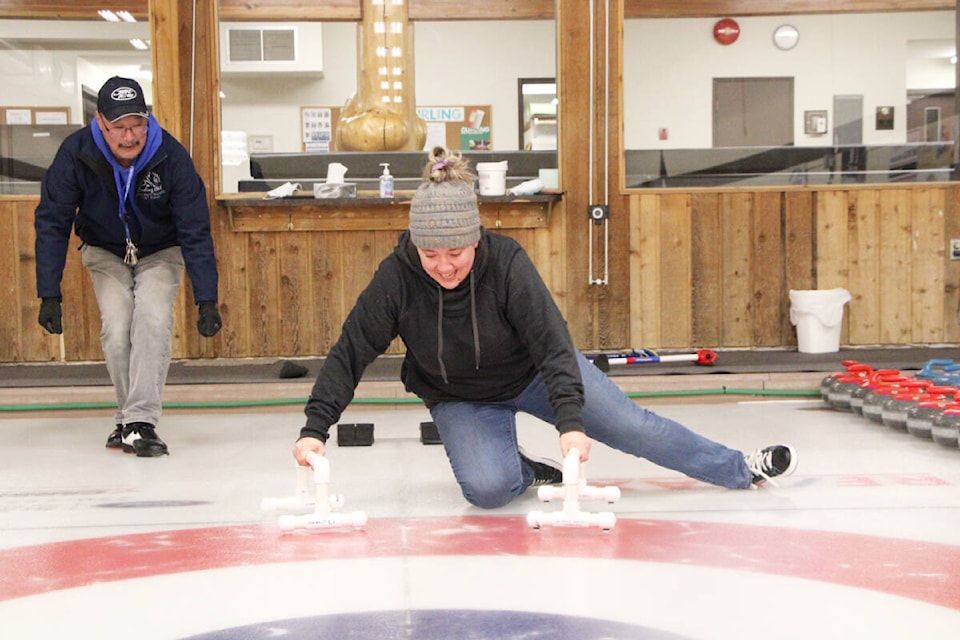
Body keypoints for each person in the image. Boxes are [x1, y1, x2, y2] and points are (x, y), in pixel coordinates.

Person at [293, 147, 796, 508]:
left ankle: (738, 467)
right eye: (430, 254)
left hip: (533, 373)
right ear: (414, 246)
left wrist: (571, 423)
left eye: (455, 253)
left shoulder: (507, 263)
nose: (444, 266)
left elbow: (553, 344)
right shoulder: (397, 277)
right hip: (460, 395)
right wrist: (315, 430)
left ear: (476, 239)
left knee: (631, 427)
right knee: (489, 490)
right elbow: (351, 351)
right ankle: (525, 470)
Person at [34, 76, 222, 458]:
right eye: (119, 126)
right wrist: (48, 293)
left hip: (160, 250)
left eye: (136, 124)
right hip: (104, 250)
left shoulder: (170, 155)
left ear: (147, 120)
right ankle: (129, 418)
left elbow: (195, 229)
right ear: (101, 122)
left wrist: (207, 298)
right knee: (118, 327)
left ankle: (139, 421)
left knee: (152, 319)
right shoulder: (76, 152)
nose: (129, 135)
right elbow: (52, 221)